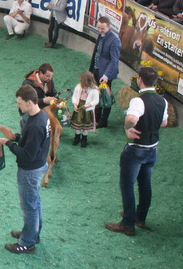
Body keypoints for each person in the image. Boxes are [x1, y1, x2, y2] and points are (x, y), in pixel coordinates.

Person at [105, 67, 168, 236]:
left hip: (135, 150)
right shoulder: (163, 101)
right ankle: (140, 217)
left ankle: (127, 223)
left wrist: (127, 128)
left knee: (127, 185)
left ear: (139, 79)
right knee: (145, 184)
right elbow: (164, 123)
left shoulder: (138, 101)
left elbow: (132, 119)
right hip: (152, 149)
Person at [0, 85, 51, 254]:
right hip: (39, 166)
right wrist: (16, 137)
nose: (17, 106)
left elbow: (27, 154)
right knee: (35, 203)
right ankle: (32, 233)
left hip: (30, 170)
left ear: (29, 102)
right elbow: (30, 142)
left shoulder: (35, 125)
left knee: (29, 206)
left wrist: (9, 143)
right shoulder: (41, 116)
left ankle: (27, 243)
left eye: (19, 103)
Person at [88, 16, 120, 128]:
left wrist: (106, 75)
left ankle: (103, 121)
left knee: (106, 97)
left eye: (103, 28)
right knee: (96, 93)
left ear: (109, 26)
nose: (100, 30)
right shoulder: (101, 35)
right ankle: (96, 117)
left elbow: (114, 60)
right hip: (96, 70)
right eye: (99, 28)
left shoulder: (115, 40)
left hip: (105, 74)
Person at [71, 71, 100, 147]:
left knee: (86, 124)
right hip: (79, 107)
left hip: (88, 110)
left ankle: (84, 138)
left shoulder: (95, 90)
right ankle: (77, 137)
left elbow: (96, 100)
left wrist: (88, 105)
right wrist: (75, 104)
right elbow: (74, 96)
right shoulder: (78, 87)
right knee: (78, 122)